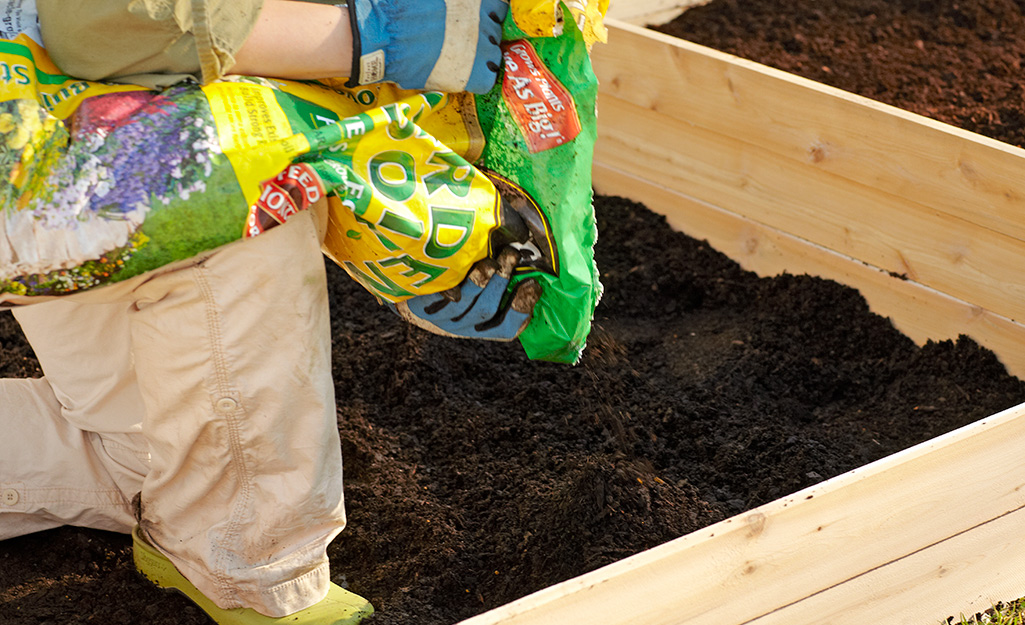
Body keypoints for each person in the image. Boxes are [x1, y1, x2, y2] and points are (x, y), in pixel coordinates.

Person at [0, 1, 534, 624]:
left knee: (146, 449)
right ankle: (246, 569)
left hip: (42, 107)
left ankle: (185, 496)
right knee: (235, 184)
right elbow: (106, 19)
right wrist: (368, 36)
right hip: (41, 132)